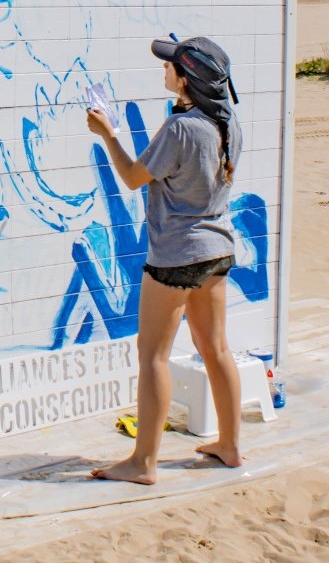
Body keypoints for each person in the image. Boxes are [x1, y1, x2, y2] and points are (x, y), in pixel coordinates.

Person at [85, 36, 244, 484]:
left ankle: (144, 463)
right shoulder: (228, 120)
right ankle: (230, 445)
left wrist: (108, 135)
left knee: (153, 355)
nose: (164, 70)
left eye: (170, 65)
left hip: (176, 254)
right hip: (217, 249)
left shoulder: (180, 129)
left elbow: (135, 177)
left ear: (186, 77)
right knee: (216, 349)